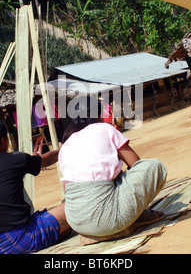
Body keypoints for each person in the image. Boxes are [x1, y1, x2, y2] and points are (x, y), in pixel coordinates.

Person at [59, 95, 167, 242]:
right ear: (98, 115)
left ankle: (94, 233)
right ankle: (132, 219)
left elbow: (68, 190)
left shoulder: (66, 146)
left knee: (111, 180)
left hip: (77, 221)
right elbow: (136, 164)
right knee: (153, 166)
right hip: (106, 218)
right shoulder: (105, 128)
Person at [0, 117, 70, 254]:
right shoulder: (14, 159)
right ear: (3, 139)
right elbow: (46, 159)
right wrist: (67, 148)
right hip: (17, 241)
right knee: (73, 206)